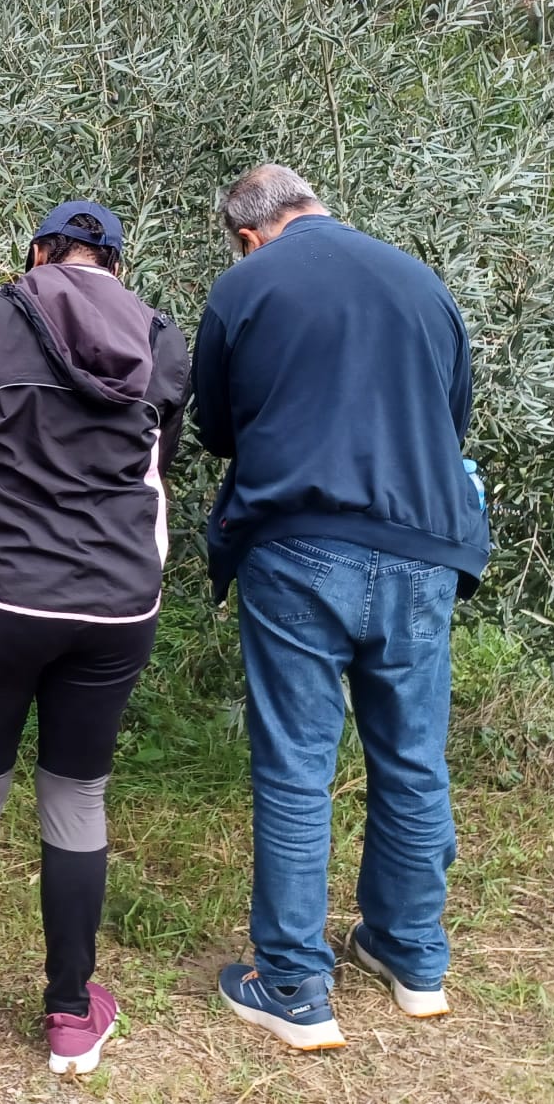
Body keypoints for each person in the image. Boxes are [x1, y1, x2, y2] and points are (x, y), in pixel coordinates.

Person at [192, 164, 490, 1051]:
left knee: (297, 764)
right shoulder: (422, 282)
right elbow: (453, 418)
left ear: (249, 233)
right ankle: (412, 958)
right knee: (413, 756)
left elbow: (217, 428)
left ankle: (291, 983)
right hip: (425, 548)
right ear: (314, 206)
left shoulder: (245, 286)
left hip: (301, 547)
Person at [0, 201, 191, 1079]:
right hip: (116, 606)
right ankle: (69, 1017)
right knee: (76, 797)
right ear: (117, 266)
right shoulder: (163, 340)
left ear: (37, 253)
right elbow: (155, 469)